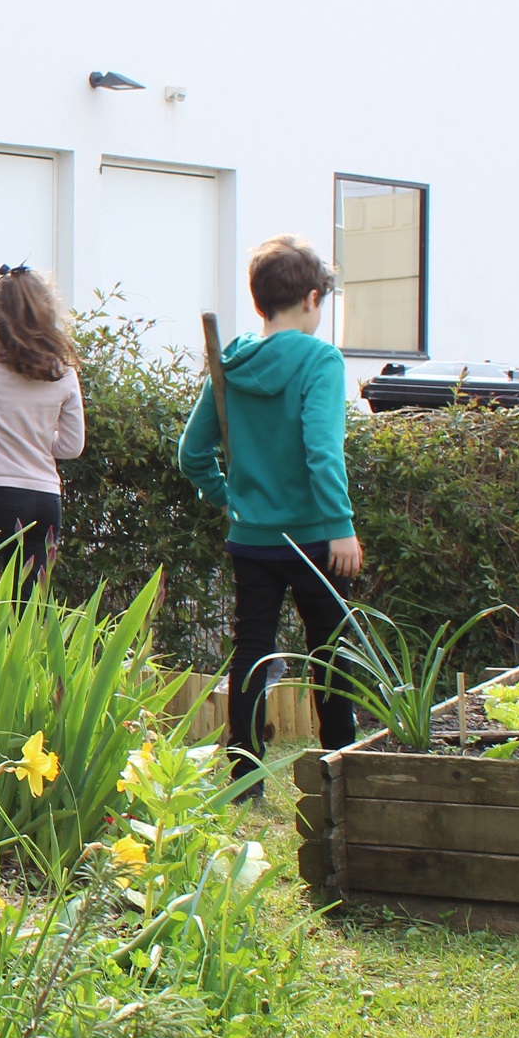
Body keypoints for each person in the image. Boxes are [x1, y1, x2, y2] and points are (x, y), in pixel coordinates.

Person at [176, 235, 363, 782]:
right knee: (329, 648)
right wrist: (341, 527)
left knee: (251, 648)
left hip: (253, 538)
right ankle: (340, 767)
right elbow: (322, 451)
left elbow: (192, 454)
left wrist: (232, 499)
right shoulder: (321, 360)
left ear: (260, 301)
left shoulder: (228, 362)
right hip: (314, 540)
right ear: (311, 298)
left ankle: (244, 774)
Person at [0, 265, 85, 623]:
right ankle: (18, 676)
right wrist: (38, 442)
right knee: (25, 611)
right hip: (45, 500)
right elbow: (71, 446)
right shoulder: (63, 370)